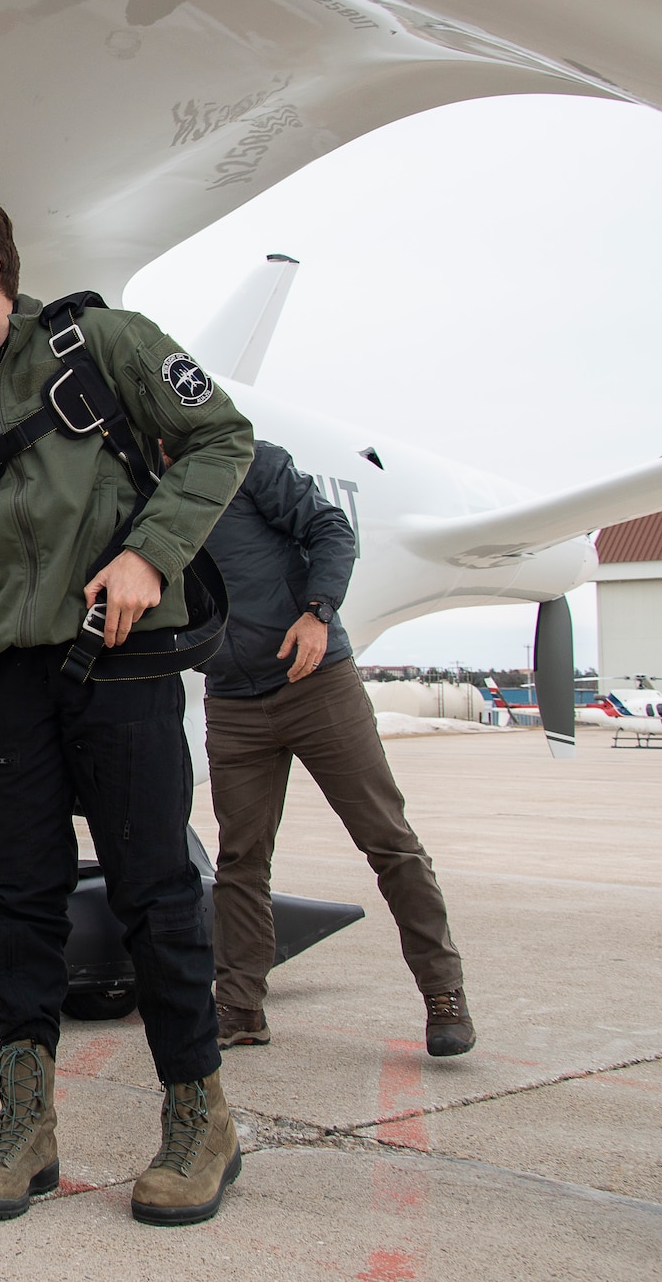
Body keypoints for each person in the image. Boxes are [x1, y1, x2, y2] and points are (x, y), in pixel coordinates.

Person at [0, 192, 254, 1227]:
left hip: (120, 660)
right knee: (20, 899)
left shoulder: (105, 344)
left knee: (154, 892)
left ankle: (196, 1115)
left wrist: (145, 553)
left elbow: (220, 437)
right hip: (11, 676)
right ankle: (24, 1123)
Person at [197, 440, 474, 1057]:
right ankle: (239, 1006)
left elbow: (330, 529)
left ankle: (443, 993)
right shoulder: (138, 484)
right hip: (232, 699)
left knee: (388, 841)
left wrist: (319, 611)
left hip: (315, 682)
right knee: (240, 860)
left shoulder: (249, 460)